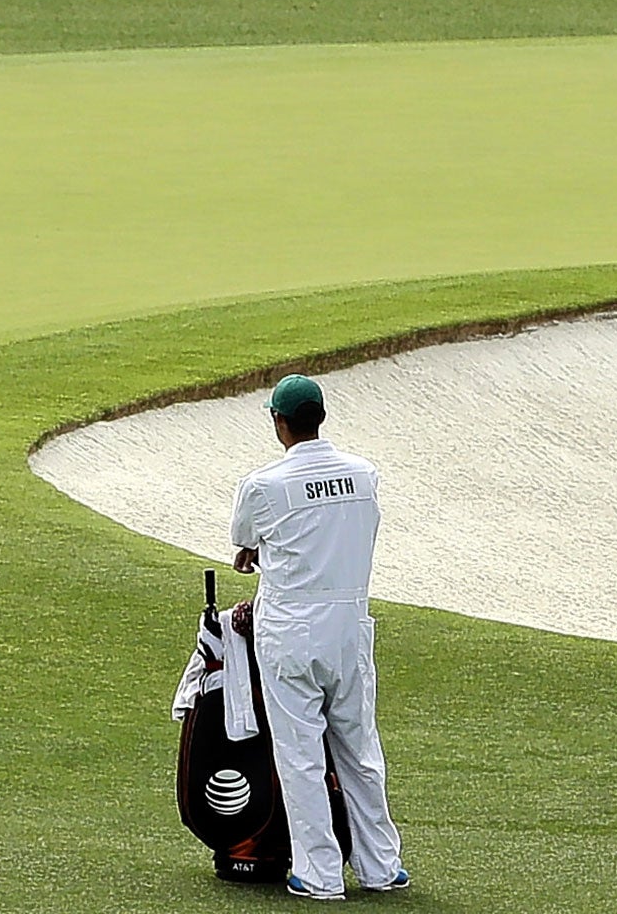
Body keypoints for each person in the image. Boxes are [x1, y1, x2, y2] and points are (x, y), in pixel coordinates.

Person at [229, 375, 409, 902]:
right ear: (320, 417)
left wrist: (257, 553)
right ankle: (381, 866)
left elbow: (244, 544)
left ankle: (321, 874)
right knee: (359, 749)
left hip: (289, 630)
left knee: (301, 754)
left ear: (279, 423)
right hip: (350, 627)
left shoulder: (263, 485)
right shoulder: (364, 475)